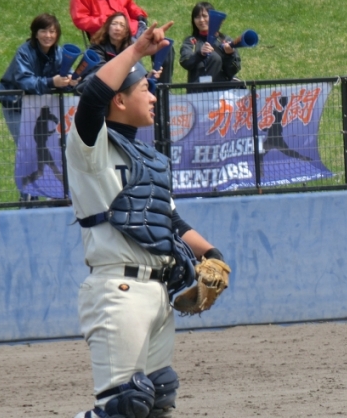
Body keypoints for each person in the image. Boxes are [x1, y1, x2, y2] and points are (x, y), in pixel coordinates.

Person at [68, 21, 225, 418]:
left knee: (158, 398)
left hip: (158, 293)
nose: (154, 96)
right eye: (144, 89)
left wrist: (212, 254)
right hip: (118, 290)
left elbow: (171, 222)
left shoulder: (151, 160)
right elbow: (92, 98)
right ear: (119, 100)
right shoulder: (92, 148)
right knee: (123, 405)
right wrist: (136, 51)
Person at [0, 13, 77, 201]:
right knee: (27, 149)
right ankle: (27, 198)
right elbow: (25, 81)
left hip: (39, 108)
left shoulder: (58, 52)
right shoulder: (24, 52)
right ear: (35, 33)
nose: (48, 35)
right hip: (15, 106)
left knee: (47, 151)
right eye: (43, 31)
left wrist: (72, 81)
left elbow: (66, 76)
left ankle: (51, 194)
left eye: (52, 31)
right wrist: (51, 82)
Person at [69, 0, 174, 83]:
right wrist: (107, 22)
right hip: (110, 38)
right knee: (134, 50)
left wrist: (139, 15)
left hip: (133, 29)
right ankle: (143, 83)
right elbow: (80, 20)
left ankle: (163, 88)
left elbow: (130, 4)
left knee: (164, 45)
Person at [77, 12, 162, 95]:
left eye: (122, 25)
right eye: (114, 24)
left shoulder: (131, 48)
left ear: (126, 31)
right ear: (107, 27)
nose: (117, 28)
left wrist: (147, 76)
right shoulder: (96, 48)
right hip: (97, 92)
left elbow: (137, 71)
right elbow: (103, 75)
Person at [179, 2, 241, 90]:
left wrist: (229, 55)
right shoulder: (191, 41)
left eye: (205, 16)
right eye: (197, 17)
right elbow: (185, 62)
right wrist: (200, 54)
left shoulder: (225, 40)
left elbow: (233, 70)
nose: (201, 20)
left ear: (213, 18)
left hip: (221, 92)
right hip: (197, 93)